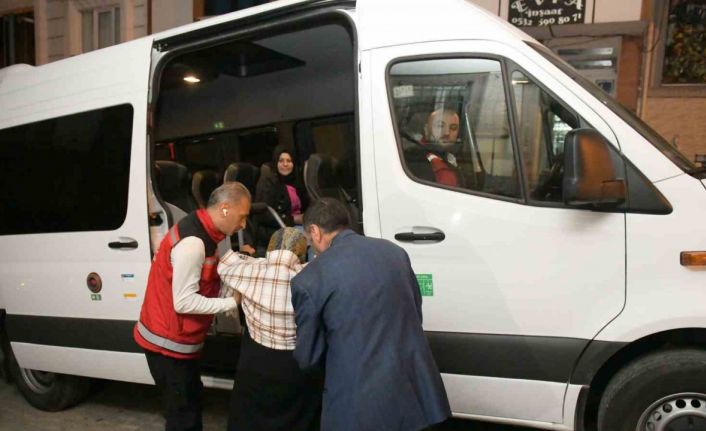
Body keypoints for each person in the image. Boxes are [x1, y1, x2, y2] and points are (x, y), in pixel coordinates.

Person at [291, 198, 451, 431]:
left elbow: (308, 357)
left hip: (359, 404)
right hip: (412, 391)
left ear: (315, 231)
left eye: (308, 240)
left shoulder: (310, 278)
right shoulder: (394, 252)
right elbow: (415, 311)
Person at [133, 182, 251, 431]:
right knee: (183, 417)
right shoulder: (194, 243)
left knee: (191, 401)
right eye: (242, 217)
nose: (243, 225)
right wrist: (232, 302)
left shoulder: (206, 233)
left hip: (177, 341)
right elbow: (184, 301)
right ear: (226, 209)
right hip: (167, 345)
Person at [218, 227, 323, 431]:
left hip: (256, 362)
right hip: (296, 364)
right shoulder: (310, 274)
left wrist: (249, 256)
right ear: (300, 254)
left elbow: (225, 264)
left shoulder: (248, 272)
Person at [404, 108, 464, 188]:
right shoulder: (417, 158)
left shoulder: (450, 156)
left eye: (453, 128)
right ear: (426, 130)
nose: (447, 132)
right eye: (440, 126)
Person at [258, 146, 309, 228]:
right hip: (280, 229)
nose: (285, 164)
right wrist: (293, 219)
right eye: (281, 161)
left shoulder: (297, 183)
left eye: (289, 161)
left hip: (301, 225)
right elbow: (265, 216)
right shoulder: (269, 183)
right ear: (275, 163)